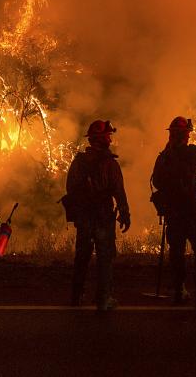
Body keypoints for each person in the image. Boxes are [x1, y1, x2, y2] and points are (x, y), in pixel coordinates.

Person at [150, 116, 196, 307]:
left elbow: (156, 181)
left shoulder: (164, 156)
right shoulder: (190, 153)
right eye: (187, 133)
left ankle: (179, 290)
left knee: (177, 250)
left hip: (173, 210)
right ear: (185, 135)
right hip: (192, 209)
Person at [65, 120, 131, 310]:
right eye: (108, 136)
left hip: (84, 217)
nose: (110, 139)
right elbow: (119, 191)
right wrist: (125, 214)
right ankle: (103, 299)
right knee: (105, 257)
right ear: (102, 139)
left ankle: (76, 297)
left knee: (82, 256)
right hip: (102, 217)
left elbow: (70, 188)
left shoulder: (78, 162)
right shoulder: (110, 164)